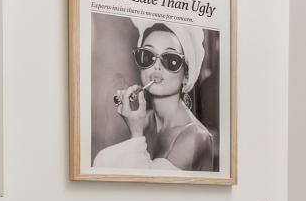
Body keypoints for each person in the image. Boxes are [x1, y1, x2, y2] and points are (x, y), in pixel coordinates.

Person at [93, 20, 217, 172]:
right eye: (147, 55)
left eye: (171, 60)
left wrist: (136, 133)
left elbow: (144, 191)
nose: (156, 66)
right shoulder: (142, 120)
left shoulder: (196, 137)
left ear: (186, 75)